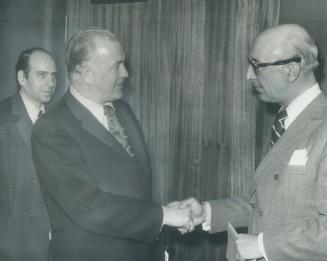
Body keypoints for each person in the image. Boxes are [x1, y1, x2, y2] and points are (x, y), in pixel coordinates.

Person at [31, 28, 192, 261]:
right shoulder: (51, 128)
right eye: (117, 66)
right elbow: (88, 206)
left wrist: (165, 217)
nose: (125, 73)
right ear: (87, 74)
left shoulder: (123, 111)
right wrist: (163, 216)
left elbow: (135, 187)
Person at [172, 24, 327, 261]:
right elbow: (267, 204)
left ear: (291, 70)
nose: (248, 74)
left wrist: (264, 246)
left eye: (257, 66)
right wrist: (206, 213)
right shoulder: (288, 120)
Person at [0, 47, 57, 260]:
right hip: (11, 244)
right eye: (42, 75)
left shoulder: (58, 121)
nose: (50, 83)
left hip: (51, 242)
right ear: (22, 78)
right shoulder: (2, 119)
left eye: (53, 76)